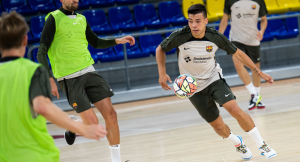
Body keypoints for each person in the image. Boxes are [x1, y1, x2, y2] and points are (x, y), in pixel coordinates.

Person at [156, 4, 276, 160]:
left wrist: (258, 72)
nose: (193, 25)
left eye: (198, 21)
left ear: (206, 21)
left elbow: (238, 53)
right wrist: (162, 73)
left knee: (234, 109)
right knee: (218, 127)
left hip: (213, 79)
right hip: (193, 88)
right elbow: (160, 49)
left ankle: (262, 145)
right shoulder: (180, 36)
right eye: (190, 21)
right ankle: (237, 143)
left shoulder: (215, 37)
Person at [0, 11, 107, 162]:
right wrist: (82, 129)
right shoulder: (32, 71)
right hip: (37, 154)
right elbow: (43, 107)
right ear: (25, 40)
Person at [37, 0, 135, 161]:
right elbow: (41, 51)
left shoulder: (82, 19)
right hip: (68, 77)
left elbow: (95, 42)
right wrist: (49, 79)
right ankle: (72, 124)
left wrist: (117, 40)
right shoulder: (53, 18)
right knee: (93, 126)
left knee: (111, 114)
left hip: (89, 70)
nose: (75, 0)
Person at [218, 0, 268, 110]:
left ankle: (257, 96)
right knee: (237, 64)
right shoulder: (230, 1)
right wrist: (218, 37)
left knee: (256, 68)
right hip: (236, 39)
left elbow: (264, 20)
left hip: (253, 39)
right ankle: (254, 95)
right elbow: (224, 20)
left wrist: (262, 31)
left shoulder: (259, 1)